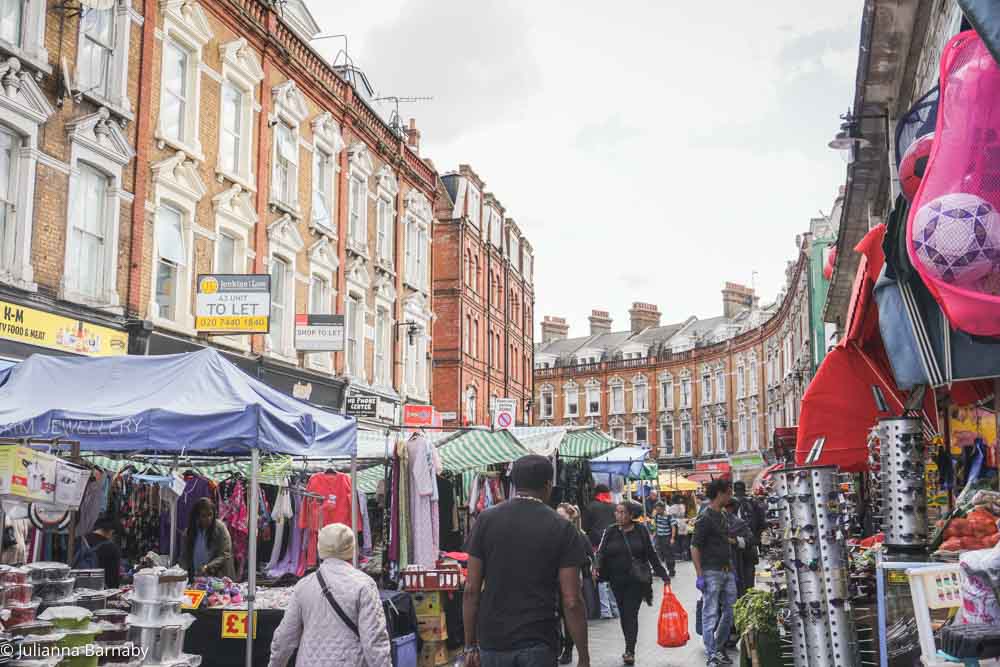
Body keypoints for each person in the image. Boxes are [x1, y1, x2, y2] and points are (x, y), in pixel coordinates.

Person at [464, 455, 591, 667]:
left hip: (493, 641)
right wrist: (583, 656)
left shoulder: (485, 520)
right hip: (538, 640)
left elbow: (471, 589)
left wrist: (469, 645)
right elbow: (572, 599)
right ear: (548, 485)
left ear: (513, 482)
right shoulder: (562, 527)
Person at [268, 523, 391, 667]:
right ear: (351, 548)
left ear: (320, 548)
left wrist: (275, 664)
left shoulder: (304, 586)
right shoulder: (364, 585)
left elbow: (284, 637)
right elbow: (374, 641)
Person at [595, 501, 670, 666]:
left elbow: (651, 553)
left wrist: (663, 574)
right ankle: (629, 645)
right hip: (616, 580)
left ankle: (630, 650)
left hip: (636, 581)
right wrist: (597, 567)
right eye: (617, 512)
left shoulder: (641, 530)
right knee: (624, 613)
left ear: (631, 515)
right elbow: (601, 552)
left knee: (630, 613)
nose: (618, 515)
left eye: (622, 512)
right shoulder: (611, 530)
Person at [692, 479, 738, 667]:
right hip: (711, 572)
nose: (730, 496)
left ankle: (718, 648)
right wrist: (700, 575)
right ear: (719, 493)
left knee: (731, 611)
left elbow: (725, 544)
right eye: (728, 492)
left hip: (726, 571)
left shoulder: (724, 516)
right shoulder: (705, 518)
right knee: (710, 613)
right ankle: (712, 654)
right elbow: (694, 546)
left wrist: (732, 568)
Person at [556, 503, 592, 665]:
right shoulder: (551, 534)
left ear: (570, 518)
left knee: (568, 615)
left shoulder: (578, 535)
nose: (558, 519)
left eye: (562, 516)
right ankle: (560, 645)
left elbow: (588, 557)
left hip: (570, 582)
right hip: (551, 582)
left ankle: (568, 649)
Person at [582, 484, 619, 620]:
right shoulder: (615, 507)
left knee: (601, 577)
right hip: (614, 544)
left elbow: (585, 527)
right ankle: (616, 609)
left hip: (597, 546)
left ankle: (605, 610)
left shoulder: (591, 507)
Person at [178, 498, 235, 579]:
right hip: (195, 579)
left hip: (218, 579)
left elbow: (225, 554)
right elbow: (184, 557)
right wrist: (181, 573)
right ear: (197, 516)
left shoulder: (220, 528)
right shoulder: (189, 532)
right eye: (203, 516)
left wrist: (207, 567)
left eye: (210, 514)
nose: (208, 519)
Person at [731, 481, 766, 591]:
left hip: (733, 546)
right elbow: (762, 523)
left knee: (736, 573)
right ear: (744, 489)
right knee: (749, 571)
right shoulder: (753, 502)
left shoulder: (729, 503)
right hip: (750, 544)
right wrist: (756, 538)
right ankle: (748, 594)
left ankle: (739, 596)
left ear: (734, 489)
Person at [76, 516, 122, 588]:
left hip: (78, 588)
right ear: (112, 531)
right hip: (99, 592)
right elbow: (113, 579)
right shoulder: (111, 548)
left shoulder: (80, 540)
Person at [652, 502, 676, 578]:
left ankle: (671, 571)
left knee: (668, 555)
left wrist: (672, 538)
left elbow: (673, 527)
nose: (658, 511)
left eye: (659, 509)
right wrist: (654, 534)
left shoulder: (669, 516)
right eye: (656, 509)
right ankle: (658, 571)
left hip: (666, 537)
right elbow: (656, 525)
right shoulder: (656, 516)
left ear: (663, 508)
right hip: (658, 537)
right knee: (658, 555)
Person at [670, 495, 690, 561]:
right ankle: (685, 555)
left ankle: (679, 555)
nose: (680, 500)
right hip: (683, 522)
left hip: (677, 523)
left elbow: (671, 515)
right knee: (683, 539)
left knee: (678, 539)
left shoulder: (672, 507)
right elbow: (683, 514)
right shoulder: (683, 506)